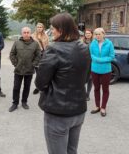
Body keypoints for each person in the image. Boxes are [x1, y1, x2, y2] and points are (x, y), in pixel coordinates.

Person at [35, 13, 91, 154]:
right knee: (72, 151)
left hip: (58, 113)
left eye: (53, 28)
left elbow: (40, 83)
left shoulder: (54, 49)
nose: (51, 31)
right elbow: (85, 78)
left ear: (61, 29)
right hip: (78, 111)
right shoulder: (84, 47)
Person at [9, 27, 41, 112]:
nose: (26, 34)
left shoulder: (35, 44)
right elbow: (12, 54)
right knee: (16, 87)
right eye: (24, 32)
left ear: (30, 33)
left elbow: (38, 55)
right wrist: (16, 64)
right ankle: (15, 103)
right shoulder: (17, 43)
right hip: (18, 70)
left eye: (27, 32)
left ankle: (24, 102)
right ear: (22, 33)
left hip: (29, 70)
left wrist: (33, 64)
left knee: (27, 87)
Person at [89, 27, 115, 117]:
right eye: (96, 34)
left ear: (103, 34)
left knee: (105, 89)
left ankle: (103, 107)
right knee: (96, 88)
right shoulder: (92, 43)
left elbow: (112, 56)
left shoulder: (109, 43)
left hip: (106, 70)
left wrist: (100, 60)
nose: (97, 36)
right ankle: (97, 106)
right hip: (94, 69)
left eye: (99, 34)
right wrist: (96, 59)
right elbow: (91, 55)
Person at [31, 22, 49, 95]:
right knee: (38, 73)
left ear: (43, 28)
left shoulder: (46, 36)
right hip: (35, 56)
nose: (39, 28)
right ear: (36, 28)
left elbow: (47, 47)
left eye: (40, 27)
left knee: (43, 73)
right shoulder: (32, 36)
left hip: (43, 56)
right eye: (38, 27)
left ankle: (42, 86)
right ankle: (38, 87)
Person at [82, 28, 93, 101]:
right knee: (82, 79)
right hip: (83, 63)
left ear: (91, 34)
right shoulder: (81, 42)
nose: (88, 34)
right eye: (86, 33)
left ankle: (87, 94)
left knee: (90, 79)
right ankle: (82, 93)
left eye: (89, 33)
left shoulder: (94, 42)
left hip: (92, 63)